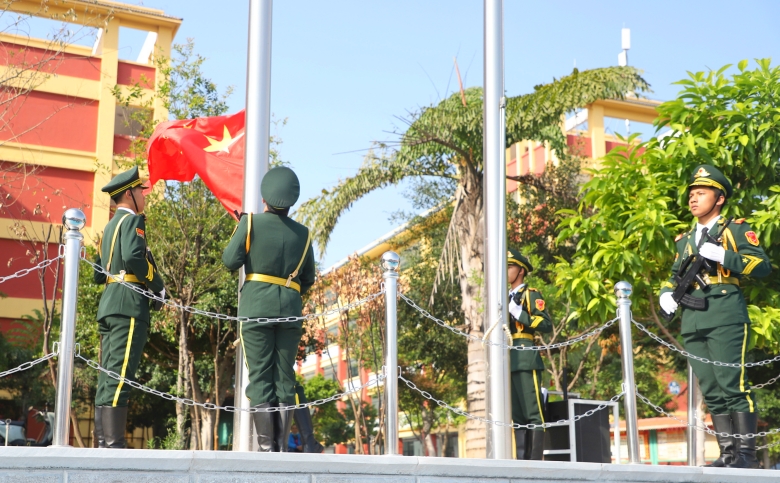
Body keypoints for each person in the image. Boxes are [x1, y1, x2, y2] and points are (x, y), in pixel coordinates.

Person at [659, 164, 771, 469]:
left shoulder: (734, 230)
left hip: (725, 313)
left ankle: (746, 456)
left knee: (733, 384)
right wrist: (666, 293)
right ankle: (727, 454)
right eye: (691, 194)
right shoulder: (684, 240)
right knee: (710, 389)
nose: (693, 199)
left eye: (701, 193)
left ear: (719, 198)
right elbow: (674, 276)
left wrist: (725, 256)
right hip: (693, 319)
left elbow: (762, 266)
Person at [222, 166, 316, 452]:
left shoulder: (250, 223)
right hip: (290, 308)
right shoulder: (303, 234)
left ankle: (266, 449)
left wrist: (242, 229)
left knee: (261, 376)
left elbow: (229, 261)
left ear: (264, 197)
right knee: (285, 377)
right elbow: (308, 279)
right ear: (292, 200)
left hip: (256, 308)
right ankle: (281, 448)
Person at [92, 166, 165, 448]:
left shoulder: (109, 227)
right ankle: (114, 444)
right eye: (139, 191)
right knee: (120, 375)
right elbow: (135, 256)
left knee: (108, 375)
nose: (143, 195)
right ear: (128, 195)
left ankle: (103, 442)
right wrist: (157, 286)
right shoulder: (133, 221)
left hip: (110, 303)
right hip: (128, 305)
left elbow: (98, 274)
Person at [507, 248, 552, 460]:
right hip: (509, 358)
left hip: (525, 355)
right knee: (517, 415)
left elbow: (545, 324)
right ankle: (521, 464)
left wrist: (520, 314)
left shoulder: (530, 294)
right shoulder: (503, 297)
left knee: (533, 412)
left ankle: (534, 463)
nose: (506, 271)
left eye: (510, 267)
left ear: (521, 271)